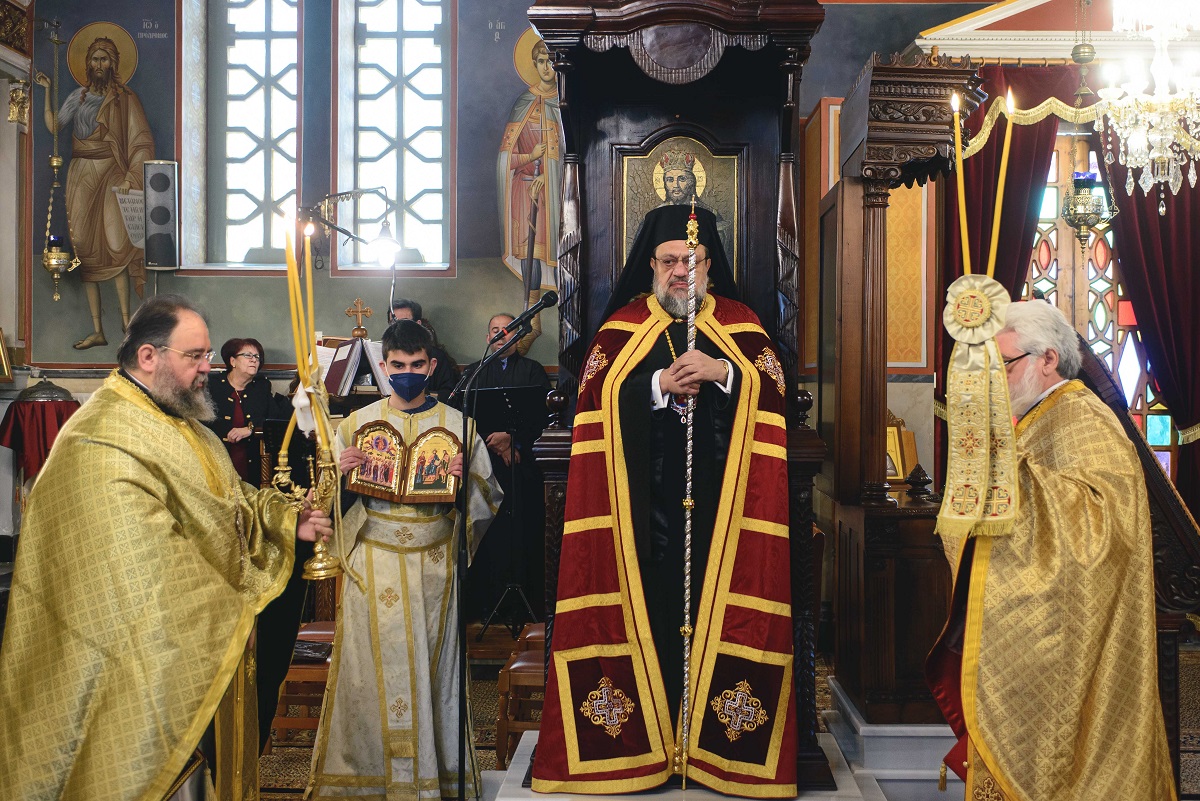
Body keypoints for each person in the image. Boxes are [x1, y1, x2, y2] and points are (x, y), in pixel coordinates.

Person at [0, 294, 332, 800]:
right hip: (134, 656)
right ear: (149, 356)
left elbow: (230, 498)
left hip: (190, 646)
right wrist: (230, 611)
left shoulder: (181, 423)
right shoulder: (101, 438)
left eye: (207, 356)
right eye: (195, 356)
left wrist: (286, 520)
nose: (207, 368)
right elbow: (144, 556)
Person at [531, 205, 797, 796]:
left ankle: (713, 752)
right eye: (670, 261)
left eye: (692, 260)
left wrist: (724, 373)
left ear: (710, 265)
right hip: (642, 524)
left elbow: (776, 390)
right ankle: (643, 748)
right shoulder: (622, 328)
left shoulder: (741, 324)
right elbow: (592, 400)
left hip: (722, 520)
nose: (681, 271)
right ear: (651, 265)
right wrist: (655, 385)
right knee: (648, 620)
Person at [925, 300, 1175, 800]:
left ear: (1048, 359)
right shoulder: (1037, 416)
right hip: (1031, 628)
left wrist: (1011, 475)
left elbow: (1102, 530)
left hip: (1071, 638)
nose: (995, 379)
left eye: (1004, 364)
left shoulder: (1083, 418)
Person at [307, 319, 501, 800]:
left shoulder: (460, 425)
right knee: (367, 672)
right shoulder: (356, 424)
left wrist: (464, 483)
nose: (407, 373)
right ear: (384, 365)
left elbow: (488, 500)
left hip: (434, 566)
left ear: (431, 366)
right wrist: (340, 476)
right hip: (371, 562)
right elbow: (319, 505)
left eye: (417, 365)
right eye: (398, 365)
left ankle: (434, 780)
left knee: (431, 674)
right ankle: (366, 783)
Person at [35, 34, 154, 350]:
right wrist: (47, 91)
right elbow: (55, 126)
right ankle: (98, 330)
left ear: (113, 63)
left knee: (116, 245)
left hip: (113, 174)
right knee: (87, 250)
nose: (99, 64)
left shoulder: (125, 99)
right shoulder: (78, 97)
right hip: (80, 175)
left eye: (104, 59)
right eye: (94, 59)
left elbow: (141, 142)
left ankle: (127, 324)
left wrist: (130, 176)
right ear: (87, 64)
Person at [460, 312, 551, 621]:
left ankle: (521, 608)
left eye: (507, 329)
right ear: (488, 338)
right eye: (495, 330)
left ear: (518, 335)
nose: (501, 334)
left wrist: (514, 440)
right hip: (483, 465)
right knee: (487, 532)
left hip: (520, 465)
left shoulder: (533, 370)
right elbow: (464, 416)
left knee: (521, 532)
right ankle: (486, 606)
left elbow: (543, 416)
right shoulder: (473, 373)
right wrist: (493, 443)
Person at [497, 37, 561, 310]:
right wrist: (531, 156)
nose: (547, 67)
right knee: (530, 255)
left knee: (560, 252)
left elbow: (577, 155)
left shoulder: (566, 102)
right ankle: (532, 319)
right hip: (525, 190)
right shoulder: (525, 102)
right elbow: (506, 158)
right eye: (542, 61)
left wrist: (551, 176)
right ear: (534, 64)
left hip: (558, 192)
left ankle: (566, 313)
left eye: (551, 61)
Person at [205, 337, 287, 485]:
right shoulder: (212, 386)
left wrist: (250, 428)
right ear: (233, 361)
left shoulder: (261, 387)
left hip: (253, 463)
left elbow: (275, 420)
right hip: (216, 461)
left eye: (257, 357)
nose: (254, 360)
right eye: (248, 355)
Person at [390, 298, 460, 397]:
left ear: (418, 324)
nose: (398, 328)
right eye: (393, 323)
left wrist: (423, 396)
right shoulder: (382, 355)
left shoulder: (437, 356)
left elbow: (449, 394)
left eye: (405, 323)